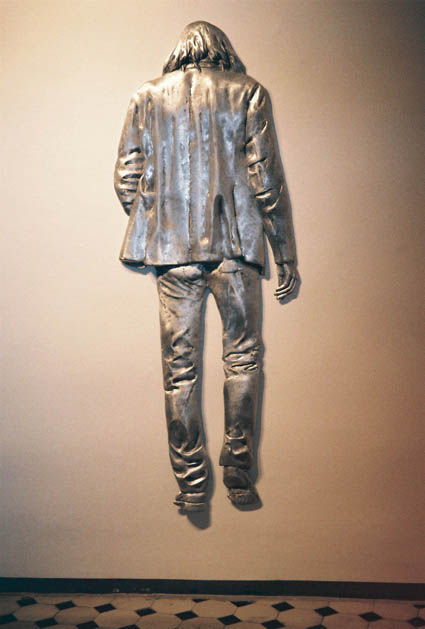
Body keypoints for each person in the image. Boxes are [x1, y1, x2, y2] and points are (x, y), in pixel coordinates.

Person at [114, 21, 298, 512]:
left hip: (172, 255)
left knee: (179, 371)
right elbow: (266, 179)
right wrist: (284, 253)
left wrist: (156, 220)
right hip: (235, 249)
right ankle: (238, 470)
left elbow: (126, 175)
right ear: (222, 49)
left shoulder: (148, 96)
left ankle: (192, 482)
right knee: (243, 359)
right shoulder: (248, 92)